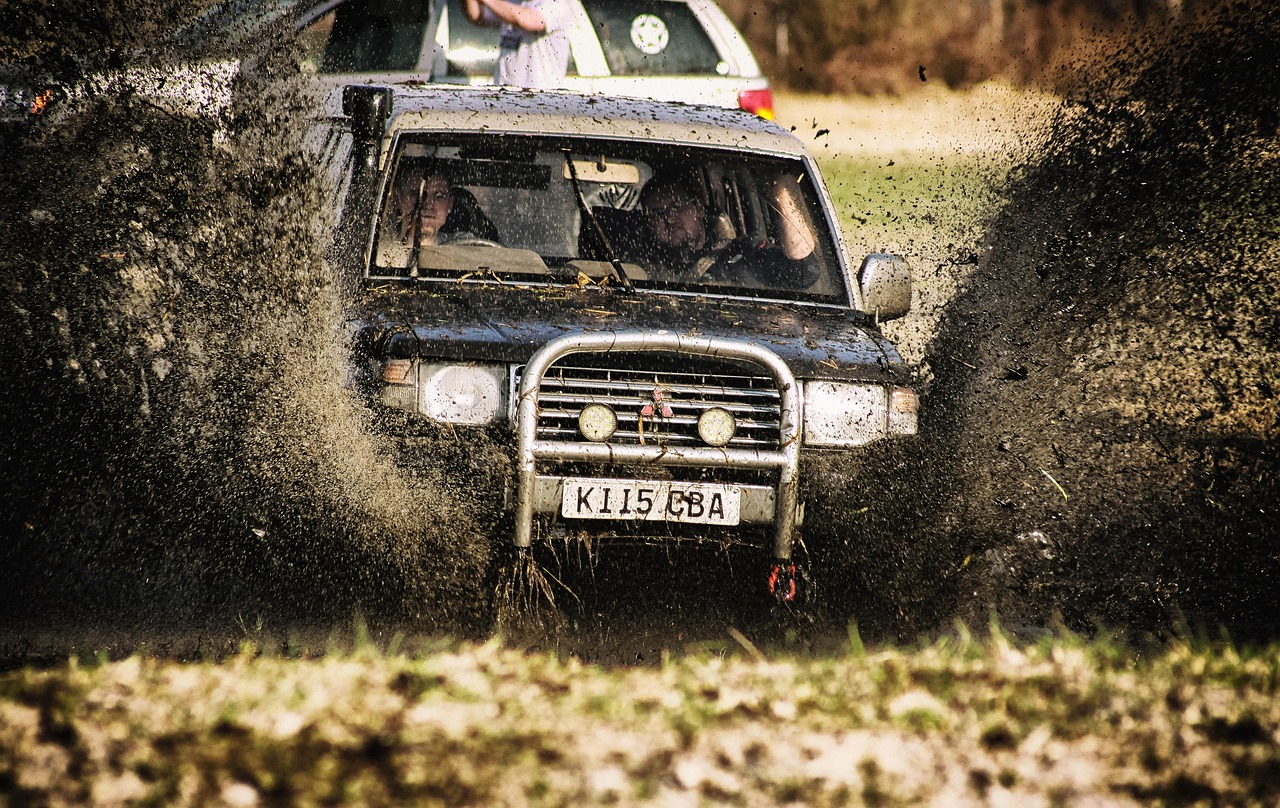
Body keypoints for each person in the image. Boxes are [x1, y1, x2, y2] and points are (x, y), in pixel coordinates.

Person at [638, 170, 820, 288]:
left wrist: (781, 188)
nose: (669, 218)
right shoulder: (638, 262)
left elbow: (803, 271)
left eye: (677, 206)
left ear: (699, 208)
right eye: (657, 213)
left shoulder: (742, 254)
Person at [463, 0, 576, 89]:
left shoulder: (559, 3)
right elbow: (477, 16)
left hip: (540, 98)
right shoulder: (514, 2)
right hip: (503, 93)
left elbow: (528, 20)